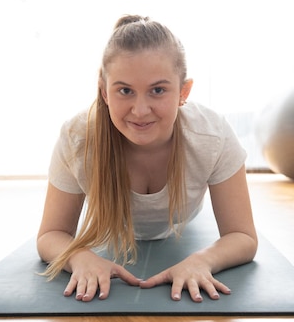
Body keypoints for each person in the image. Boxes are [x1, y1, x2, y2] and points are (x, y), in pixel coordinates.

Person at [36, 15, 258, 303]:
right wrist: (79, 259)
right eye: (125, 90)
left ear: (183, 92)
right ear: (105, 91)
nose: (140, 111)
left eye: (158, 90)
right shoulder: (78, 139)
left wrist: (202, 261)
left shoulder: (212, 136)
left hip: (183, 220)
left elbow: (243, 236)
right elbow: (50, 234)